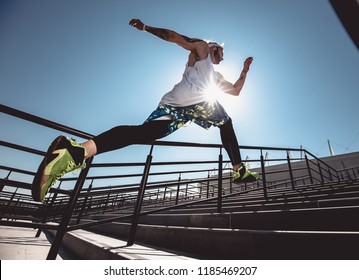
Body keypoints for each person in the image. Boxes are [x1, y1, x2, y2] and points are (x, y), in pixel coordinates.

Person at [31, 19, 259, 202]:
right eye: (222, 54)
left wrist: (245, 70)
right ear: (214, 48)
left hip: (175, 106)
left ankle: (75, 152)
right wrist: (146, 28)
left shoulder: (215, 76)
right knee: (225, 122)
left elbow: (236, 90)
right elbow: (176, 38)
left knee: (143, 133)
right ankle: (238, 169)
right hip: (194, 101)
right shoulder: (201, 49)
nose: (223, 58)